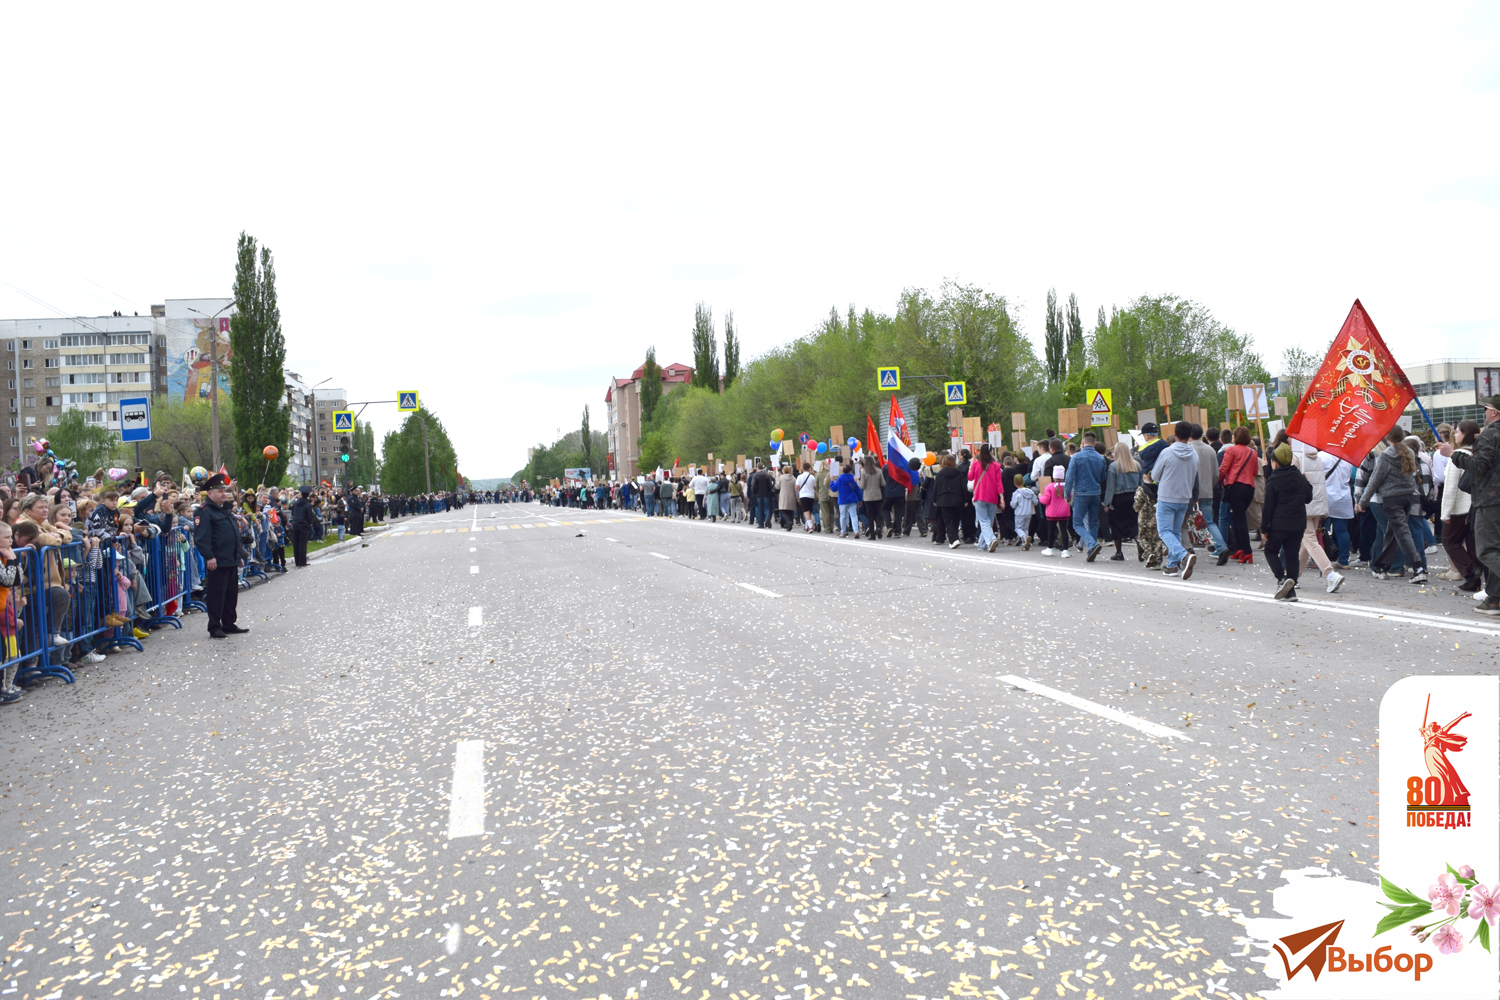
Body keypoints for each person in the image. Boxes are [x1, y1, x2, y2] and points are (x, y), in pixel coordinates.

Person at [1447, 396, 1500, 614]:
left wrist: (1454, 454)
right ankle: (1495, 599)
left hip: (1491, 501)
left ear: (1494, 412)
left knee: (1487, 550)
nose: (1485, 412)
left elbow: (1478, 466)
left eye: (1487, 408)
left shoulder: (1491, 433)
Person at [1357, 426, 1427, 585]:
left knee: (1401, 531)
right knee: (1392, 532)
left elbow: (1375, 480)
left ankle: (1418, 568)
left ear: (1387, 438)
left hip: (1391, 498)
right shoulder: (1409, 451)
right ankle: (1382, 566)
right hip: (1408, 496)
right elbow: (1412, 474)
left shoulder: (1385, 455)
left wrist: (1363, 501)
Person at [193, 473, 245, 639]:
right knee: (217, 595)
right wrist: (209, 556)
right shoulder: (204, 511)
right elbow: (201, 538)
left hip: (230, 557)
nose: (224, 494)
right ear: (210, 493)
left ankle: (229, 623)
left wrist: (239, 554)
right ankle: (215, 626)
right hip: (217, 559)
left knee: (231, 594)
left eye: (224, 491)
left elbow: (233, 533)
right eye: (220, 491)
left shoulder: (224, 509)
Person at [1262, 443, 1314, 601]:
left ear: (1276, 463)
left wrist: (1264, 528)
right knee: (1292, 556)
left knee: (1270, 550)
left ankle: (1281, 579)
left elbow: (1268, 507)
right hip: (1298, 523)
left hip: (1278, 524)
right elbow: (1308, 498)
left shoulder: (1273, 481)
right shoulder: (1300, 478)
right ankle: (1291, 591)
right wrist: (1307, 482)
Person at [1150, 421, 1199, 579]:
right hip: (1184, 497)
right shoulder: (1194, 454)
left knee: (1164, 531)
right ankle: (1172, 565)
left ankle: (1183, 555)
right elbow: (1194, 476)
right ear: (1190, 435)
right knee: (1175, 531)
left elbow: (1155, 475)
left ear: (1175, 433)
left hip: (1167, 496)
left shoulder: (1167, 452)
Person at [1440, 420, 1483, 592]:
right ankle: (1474, 579)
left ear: (1465, 435)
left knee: (1449, 541)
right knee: (1471, 543)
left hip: (1458, 507)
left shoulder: (1457, 456)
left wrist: (1445, 514)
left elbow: (1450, 487)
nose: (1455, 434)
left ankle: (1471, 571)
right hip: (1474, 505)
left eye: (1457, 432)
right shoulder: (1477, 454)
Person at [1296, 446, 1343, 593]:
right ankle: (1294, 576)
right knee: (1306, 543)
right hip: (1318, 504)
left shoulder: (1296, 458)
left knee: (1309, 541)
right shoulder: (1318, 458)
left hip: (1304, 505)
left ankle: (1330, 574)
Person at [1219, 427, 1259, 564]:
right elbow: (1255, 472)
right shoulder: (1252, 452)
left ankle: (1247, 551)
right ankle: (1239, 548)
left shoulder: (1231, 450)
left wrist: (1218, 482)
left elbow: (1223, 469)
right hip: (1249, 488)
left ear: (1235, 437)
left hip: (1235, 487)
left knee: (1239, 519)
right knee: (1237, 517)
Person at [1064, 432, 1106, 561]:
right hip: (1095, 493)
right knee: (1093, 523)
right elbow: (1103, 477)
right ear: (1095, 443)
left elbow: (1069, 477)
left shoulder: (1076, 457)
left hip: (1081, 493)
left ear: (1083, 442)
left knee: (1077, 523)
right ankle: (1091, 552)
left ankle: (1092, 544)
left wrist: (1067, 494)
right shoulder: (1100, 458)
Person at [1102, 440, 1140, 561]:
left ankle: (1119, 552)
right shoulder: (1136, 465)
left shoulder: (1114, 466)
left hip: (1118, 498)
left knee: (1116, 525)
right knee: (1133, 523)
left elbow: (1110, 487)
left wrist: (1107, 503)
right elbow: (1141, 484)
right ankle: (1139, 543)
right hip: (1133, 497)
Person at [968, 443, 1006, 552]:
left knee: (983, 521)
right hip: (992, 496)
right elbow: (999, 483)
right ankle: (982, 545)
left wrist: (971, 465)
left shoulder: (976, 464)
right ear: (990, 452)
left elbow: (970, 477)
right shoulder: (996, 466)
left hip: (980, 495)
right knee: (988, 521)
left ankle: (990, 540)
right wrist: (1001, 497)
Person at [931, 454, 965, 547]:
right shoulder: (959, 473)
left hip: (944, 499)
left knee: (948, 520)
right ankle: (955, 537)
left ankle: (953, 540)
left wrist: (935, 499)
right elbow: (963, 486)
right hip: (957, 499)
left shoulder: (940, 473)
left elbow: (936, 488)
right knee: (955, 520)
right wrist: (965, 499)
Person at [857, 454, 884, 540]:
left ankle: (872, 535)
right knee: (877, 513)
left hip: (868, 497)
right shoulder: (879, 471)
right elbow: (883, 483)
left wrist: (857, 481)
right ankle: (879, 526)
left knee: (870, 515)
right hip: (877, 495)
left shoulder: (864, 472)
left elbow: (862, 486)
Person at [290, 487, 316, 567]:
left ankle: (297, 561)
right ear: (308, 495)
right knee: (302, 544)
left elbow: (293, 513)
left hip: (295, 524)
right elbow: (310, 516)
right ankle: (302, 561)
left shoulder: (295, 503)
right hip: (303, 525)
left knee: (296, 543)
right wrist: (309, 522)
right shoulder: (308, 504)